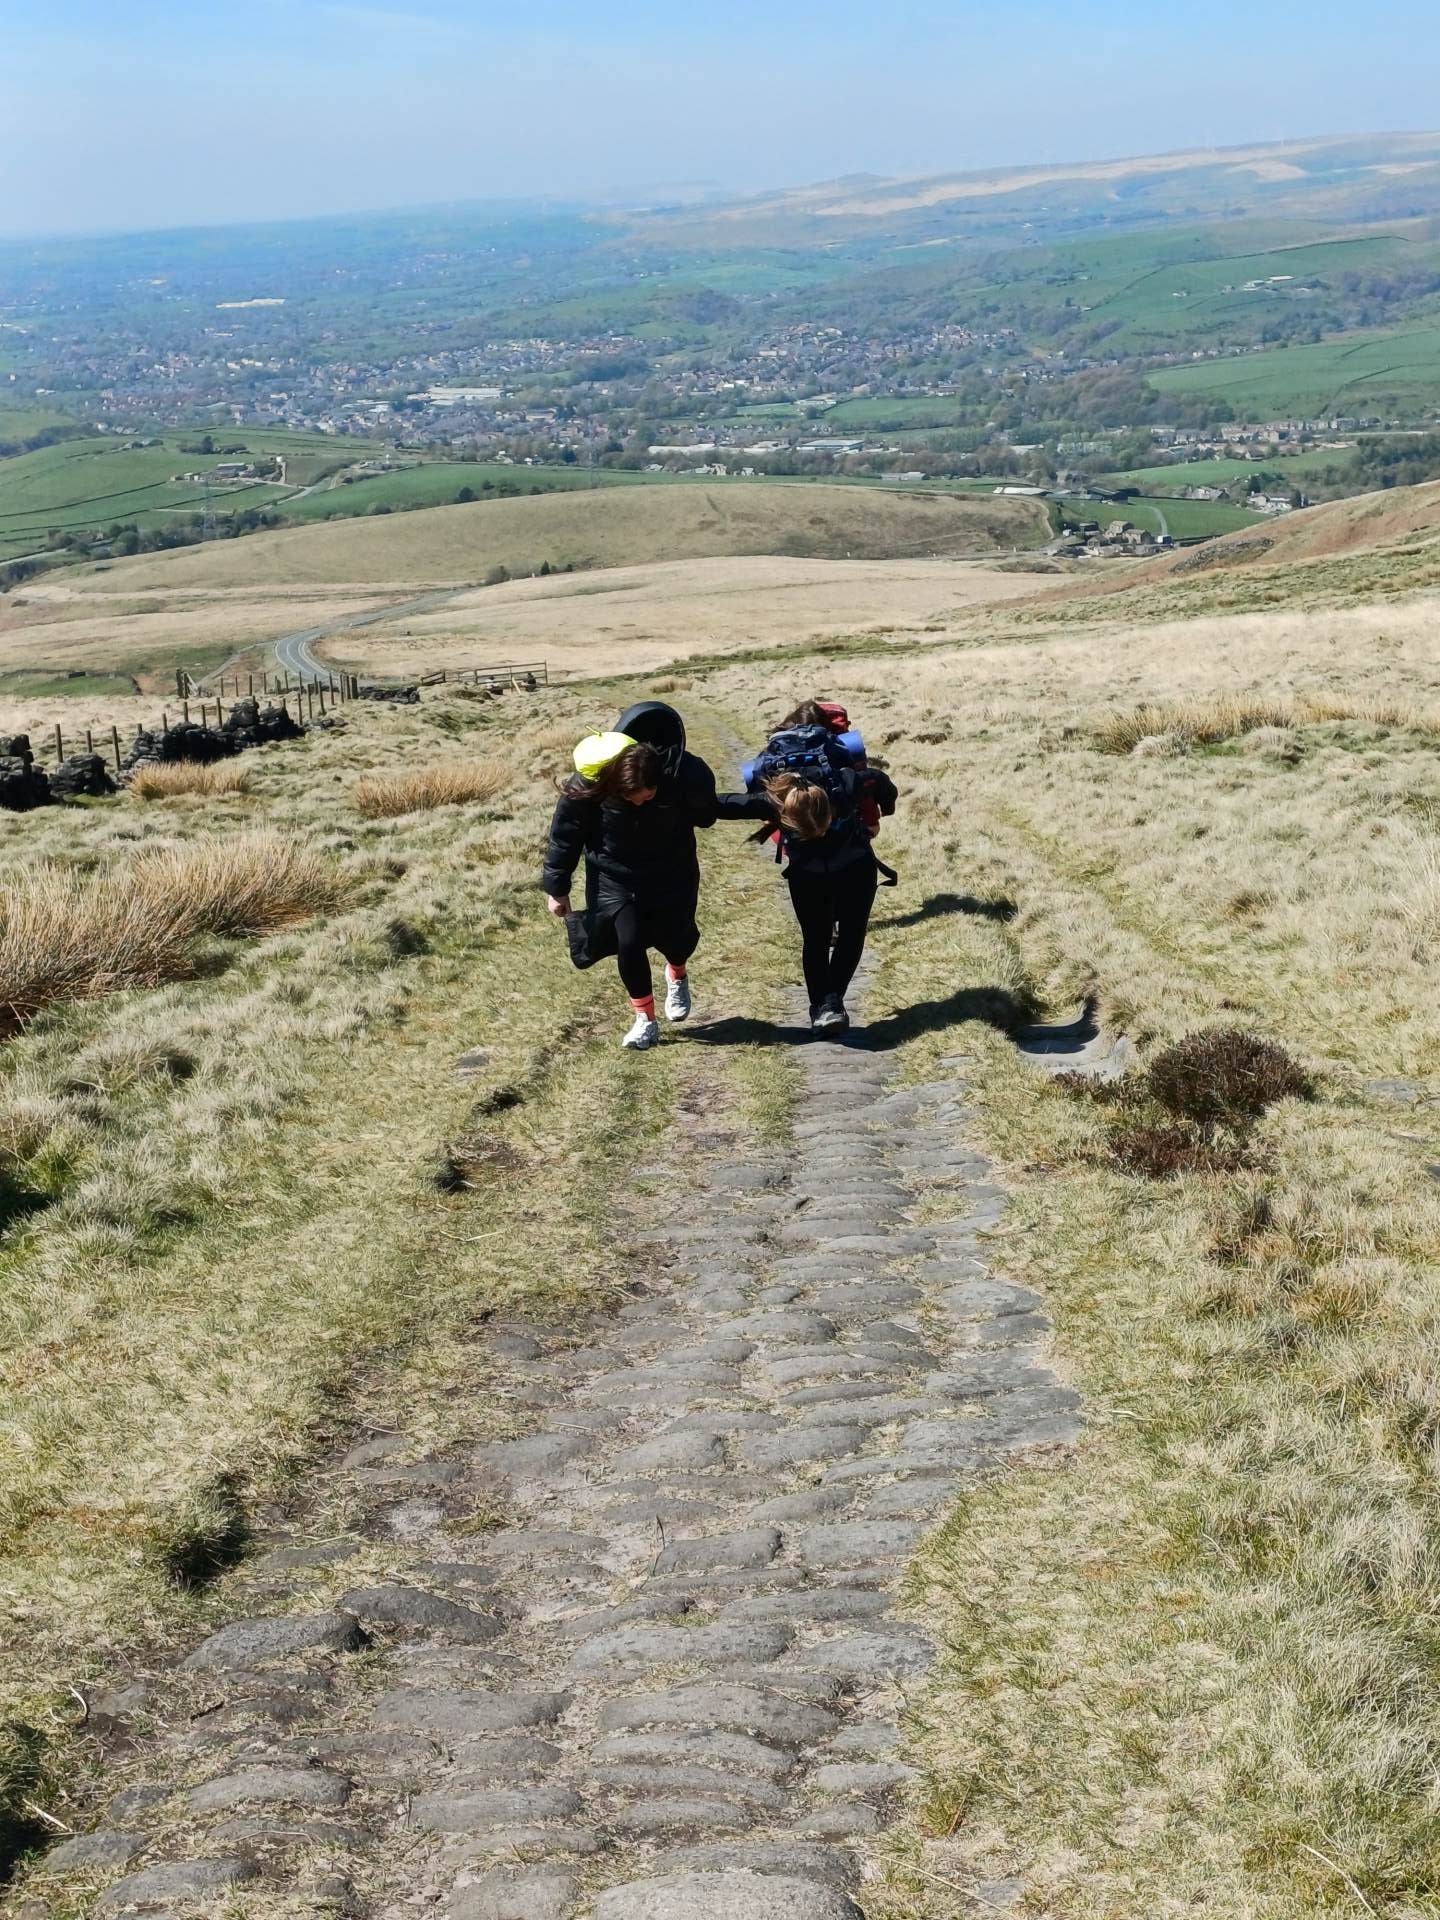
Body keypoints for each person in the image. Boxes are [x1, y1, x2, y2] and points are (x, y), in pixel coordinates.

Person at [542, 701, 721, 1051]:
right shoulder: (591, 782)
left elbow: (707, 815)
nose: (639, 803)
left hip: (672, 869)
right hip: (614, 876)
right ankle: (645, 1020)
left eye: (648, 796)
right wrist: (557, 888)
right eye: (629, 798)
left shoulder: (681, 774)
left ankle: (677, 972)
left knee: (677, 938)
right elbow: (565, 835)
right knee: (629, 939)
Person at [731, 710, 897, 1033]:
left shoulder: (774, 780)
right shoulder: (843, 777)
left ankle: (823, 1006)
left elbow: (730, 804)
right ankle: (830, 1004)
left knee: (816, 939)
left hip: (805, 870)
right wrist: (884, 811)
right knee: (851, 935)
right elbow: (881, 783)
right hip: (855, 861)